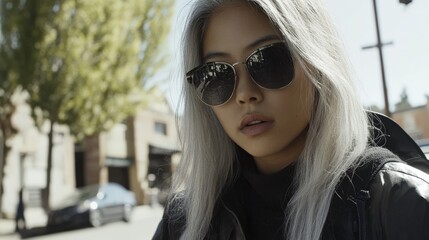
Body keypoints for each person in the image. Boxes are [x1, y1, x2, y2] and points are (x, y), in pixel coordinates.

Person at [153, 0, 429, 239]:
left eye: (267, 60)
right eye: (216, 75)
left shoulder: (401, 206)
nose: (245, 94)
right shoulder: (183, 223)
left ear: (318, 65)